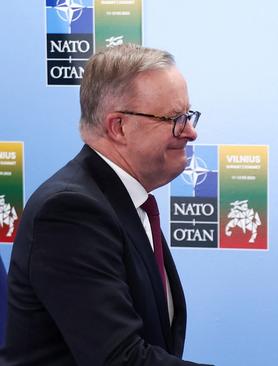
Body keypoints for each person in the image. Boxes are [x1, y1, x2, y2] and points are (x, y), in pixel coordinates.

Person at [1, 44, 212, 365]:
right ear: (118, 127)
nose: (191, 132)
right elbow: (120, 358)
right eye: (174, 118)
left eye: (188, 115)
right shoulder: (69, 212)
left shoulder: (122, 199)